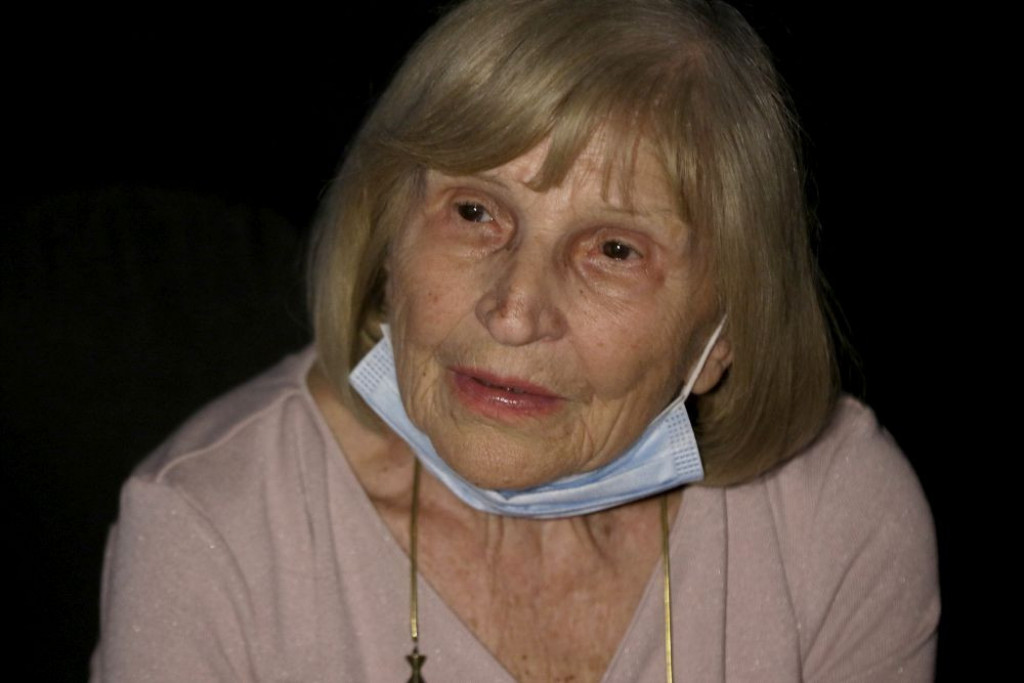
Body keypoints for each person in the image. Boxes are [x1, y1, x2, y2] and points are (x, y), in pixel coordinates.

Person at [91, 0, 939, 681]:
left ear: (723, 334)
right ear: (388, 241)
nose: (515, 310)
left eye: (615, 250)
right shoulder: (211, 528)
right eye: (474, 211)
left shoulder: (835, 516)